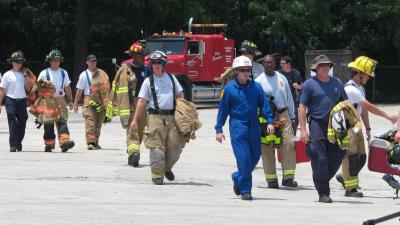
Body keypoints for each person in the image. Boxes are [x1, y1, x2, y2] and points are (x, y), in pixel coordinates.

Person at [335, 56, 398, 197]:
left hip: (356, 127)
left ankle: (344, 177)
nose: (369, 78)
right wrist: (387, 115)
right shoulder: (350, 89)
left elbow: (364, 111)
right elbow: (368, 105)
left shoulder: (360, 88)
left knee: (361, 158)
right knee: (350, 157)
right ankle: (350, 189)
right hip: (348, 128)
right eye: (367, 75)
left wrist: (368, 128)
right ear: (359, 73)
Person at [215, 55, 275, 200]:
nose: (246, 73)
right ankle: (246, 190)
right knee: (244, 159)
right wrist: (219, 129)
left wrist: (270, 122)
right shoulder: (229, 89)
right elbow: (223, 110)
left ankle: (237, 177)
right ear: (236, 71)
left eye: (248, 70)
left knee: (255, 156)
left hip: (254, 126)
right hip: (237, 126)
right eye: (242, 70)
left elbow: (265, 106)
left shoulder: (256, 88)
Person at [130, 50, 185, 185]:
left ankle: (166, 168)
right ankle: (157, 176)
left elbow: (181, 97)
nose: (156, 65)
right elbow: (142, 102)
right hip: (155, 117)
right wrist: (135, 120)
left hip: (172, 118)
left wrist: (186, 115)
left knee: (175, 149)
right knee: (156, 149)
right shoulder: (148, 82)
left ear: (164, 64)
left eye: (159, 62)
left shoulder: (172, 79)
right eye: (154, 63)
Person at [298, 55, 348, 203]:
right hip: (317, 124)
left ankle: (320, 178)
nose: (325, 67)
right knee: (320, 158)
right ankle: (323, 192)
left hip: (336, 125)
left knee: (339, 154)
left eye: (327, 65)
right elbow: (302, 107)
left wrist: (350, 124)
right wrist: (303, 130)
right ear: (316, 69)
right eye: (321, 65)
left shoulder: (337, 83)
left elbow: (345, 104)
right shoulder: (309, 84)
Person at [106, 42, 151, 167]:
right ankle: (134, 154)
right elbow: (117, 89)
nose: (144, 58)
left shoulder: (147, 70)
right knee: (133, 130)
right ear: (135, 56)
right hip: (130, 104)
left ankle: (132, 151)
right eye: (141, 56)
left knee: (140, 131)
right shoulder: (125, 71)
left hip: (143, 104)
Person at [256, 55, 298, 188]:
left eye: (271, 62)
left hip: (283, 114)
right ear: (263, 64)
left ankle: (288, 178)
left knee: (288, 143)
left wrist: (292, 117)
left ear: (275, 64)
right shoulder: (258, 81)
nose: (269, 64)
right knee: (267, 147)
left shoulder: (282, 78)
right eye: (266, 63)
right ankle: (271, 179)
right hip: (266, 118)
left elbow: (289, 97)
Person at [37, 49, 75, 152]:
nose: (56, 62)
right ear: (49, 61)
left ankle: (64, 143)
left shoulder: (64, 73)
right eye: (54, 60)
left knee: (62, 122)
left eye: (58, 60)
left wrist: (70, 100)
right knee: (48, 125)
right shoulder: (44, 73)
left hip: (60, 100)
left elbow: (67, 87)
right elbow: (38, 89)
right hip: (48, 101)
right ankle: (49, 145)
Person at [73, 54, 110, 150]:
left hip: (100, 100)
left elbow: (106, 89)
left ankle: (96, 142)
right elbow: (79, 90)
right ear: (87, 62)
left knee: (98, 123)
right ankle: (90, 142)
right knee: (90, 122)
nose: (93, 63)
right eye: (91, 61)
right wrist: (75, 103)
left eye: (94, 61)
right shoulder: (83, 75)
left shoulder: (102, 74)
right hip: (89, 99)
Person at [0, 50, 33, 152]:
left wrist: (25, 75)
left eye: (21, 62)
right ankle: (13, 144)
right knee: (12, 121)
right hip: (10, 100)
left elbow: (28, 88)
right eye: (18, 61)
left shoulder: (23, 74)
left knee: (22, 122)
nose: (20, 64)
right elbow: (2, 90)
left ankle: (18, 141)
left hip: (21, 101)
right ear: (13, 62)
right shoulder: (7, 75)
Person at [279, 56, 303, 133]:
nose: (281, 65)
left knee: (294, 119)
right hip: (281, 101)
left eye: (283, 63)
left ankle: (294, 133)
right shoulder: (279, 73)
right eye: (281, 63)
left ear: (288, 64)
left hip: (293, 100)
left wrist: (296, 86)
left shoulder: (295, 73)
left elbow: (302, 86)